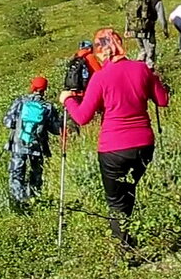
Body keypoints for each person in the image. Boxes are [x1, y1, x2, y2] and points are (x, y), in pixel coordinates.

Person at [60, 29, 170, 250]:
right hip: (144, 145)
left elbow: (82, 118)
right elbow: (162, 100)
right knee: (128, 193)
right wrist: (153, 78)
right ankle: (130, 237)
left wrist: (67, 101)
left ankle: (125, 250)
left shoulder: (100, 78)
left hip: (113, 149)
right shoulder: (142, 69)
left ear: (101, 51)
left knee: (116, 201)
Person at [3, 76, 63, 209]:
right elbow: (56, 129)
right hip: (38, 147)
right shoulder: (48, 107)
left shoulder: (21, 102)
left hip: (19, 145)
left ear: (33, 87)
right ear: (45, 89)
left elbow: (7, 122)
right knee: (36, 174)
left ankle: (18, 202)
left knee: (17, 173)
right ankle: (34, 199)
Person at [126, 0, 168, 69]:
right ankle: (149, 73)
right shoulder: (157, 1)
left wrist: (127, 29)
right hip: (148, 30)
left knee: (142, 51)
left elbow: (129, 15)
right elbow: (162, 19)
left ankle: (137, 69)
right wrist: (165, 30)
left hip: (136, 30)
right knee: (150, 54)